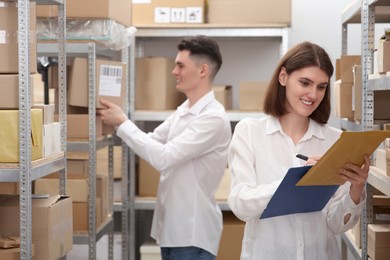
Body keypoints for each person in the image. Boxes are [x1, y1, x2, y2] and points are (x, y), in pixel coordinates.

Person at [228, 41, 370, 259]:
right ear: (283, 77)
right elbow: (240, 205)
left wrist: (355, 190)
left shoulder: (336, 140)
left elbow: (336, 225)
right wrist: (294, 183)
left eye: (321, 87)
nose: (313, 95)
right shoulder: (249, 132)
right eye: (305, 83)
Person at [98, 35, 231, 260]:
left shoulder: (212, 118)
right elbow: (152, 140)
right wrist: (117, 123)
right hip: (172, 232)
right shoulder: (185, 109)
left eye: (180, 65)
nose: (174, 72)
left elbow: (164, 158)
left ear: (202, 70)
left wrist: (122, 122)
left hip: (192, 234)